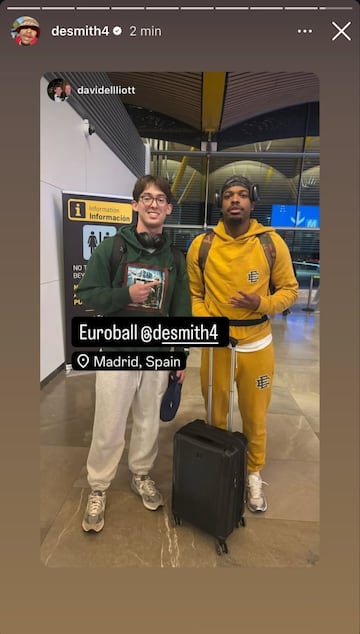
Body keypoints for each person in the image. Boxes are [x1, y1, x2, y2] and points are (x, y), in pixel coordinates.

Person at [76, 175, 191, 533]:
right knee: (108, 422)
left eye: (160, 199)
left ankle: (140, 473)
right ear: (135, 205)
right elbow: (89, 293)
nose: (153, 204)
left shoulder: (175, 257)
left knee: (147, 421)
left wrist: (180, 354)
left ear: (169, 209)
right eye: (147, 197)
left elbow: (182, 309)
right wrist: (127, 295)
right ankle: (98, 486)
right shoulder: (111, 248)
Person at [186, 175, 298, 513]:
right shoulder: (202, 245)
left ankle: (252, 472)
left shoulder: (271, 243)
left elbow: (289, 290)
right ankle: (220, 470)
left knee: (255, 416)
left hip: (257, 347)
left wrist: (260, 304)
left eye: (243, 195)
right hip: (217, 345)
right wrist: (208, 321)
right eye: (229, 195)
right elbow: (194, 295)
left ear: (252, 202)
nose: (236, 200)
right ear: (220, 202)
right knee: (215, 412)